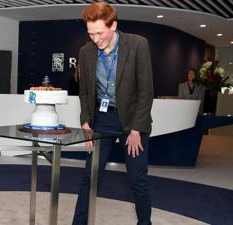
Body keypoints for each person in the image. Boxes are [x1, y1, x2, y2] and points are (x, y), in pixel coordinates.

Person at [73, 2, 154, 225]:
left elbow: (146, 92)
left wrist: (137, 129)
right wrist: (86, 122)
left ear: (114, 25)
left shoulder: (138, 45)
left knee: (138, 179)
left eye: (99, 33)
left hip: (132, 120)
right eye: (90, 33)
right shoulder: (85, 52)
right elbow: (85, 92)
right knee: (90, 177)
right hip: (102, 119)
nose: (95, 39)